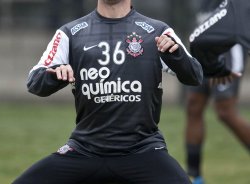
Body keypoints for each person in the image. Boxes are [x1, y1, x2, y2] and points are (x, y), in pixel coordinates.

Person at [13, 0, 203, 183]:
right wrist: (55, 76)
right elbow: (34, 82)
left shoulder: (157, 31)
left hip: (142, 150)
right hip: (85, 150)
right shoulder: (70, 33)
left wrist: (175, 55)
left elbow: (195, 76)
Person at [186, 1, 250, 184]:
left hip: (229, 46)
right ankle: (194, 176)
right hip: (204, 38)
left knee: (225, 112)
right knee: (193, 105)